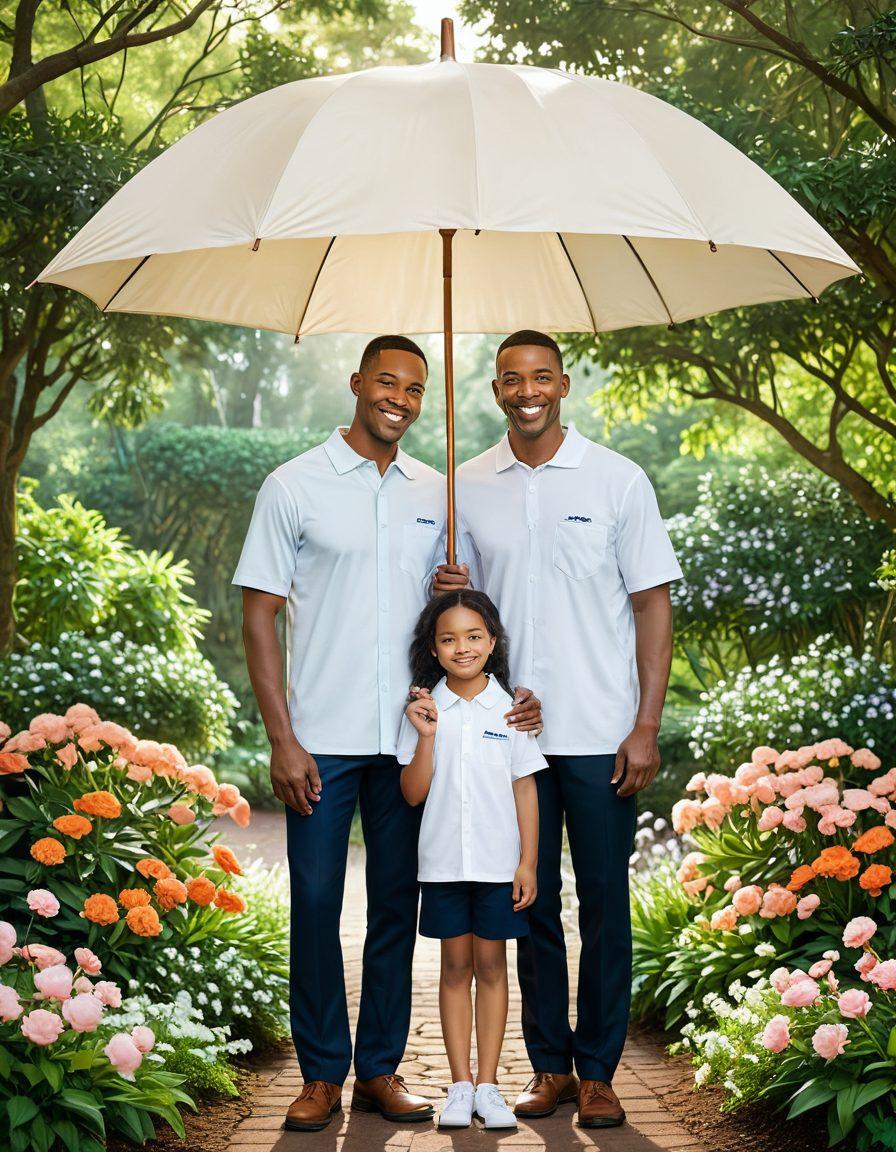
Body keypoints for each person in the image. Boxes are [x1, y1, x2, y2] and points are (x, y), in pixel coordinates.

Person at [233, 335, 542, 1133]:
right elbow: (259, 615)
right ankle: (319, 1073)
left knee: (394, 910)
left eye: (413, 387)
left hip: (411, 737)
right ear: (357, 382)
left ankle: (377, 1068)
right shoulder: (292, 486)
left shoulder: (434, 496)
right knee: (313, 901)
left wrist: (454, 586)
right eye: (386, 382)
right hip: (322, 738)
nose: (399, 398)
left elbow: (462, 617)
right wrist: (281, 737)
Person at [435, 330, 683, 1129]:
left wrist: (645, 724)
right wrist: (451, 589)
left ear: (565, 384)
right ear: (496, 388)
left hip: (604, 728)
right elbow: (462, 613)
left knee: (607, 902)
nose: (528, 389)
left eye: (542, 376)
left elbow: (651, 603)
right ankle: (549, 1068)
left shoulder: (618, 479)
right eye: (512, 378)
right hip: (514, 735)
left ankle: (600, 1070)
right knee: (531, 903)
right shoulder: (466, 484)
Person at [397, 590, 546, 1131]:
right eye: (449, 638)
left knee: (493, 969)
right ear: (434, 650)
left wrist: (527, 862)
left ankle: (489, 1087)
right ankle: (459, 1086)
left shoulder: (510, 710)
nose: (462, 647)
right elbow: (412, 793)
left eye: (474, 636)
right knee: (455, 970)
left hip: (496, 866)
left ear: (493, 641)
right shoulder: (424, 711)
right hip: (442, 866)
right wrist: (426, 738)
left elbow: (525, 789)